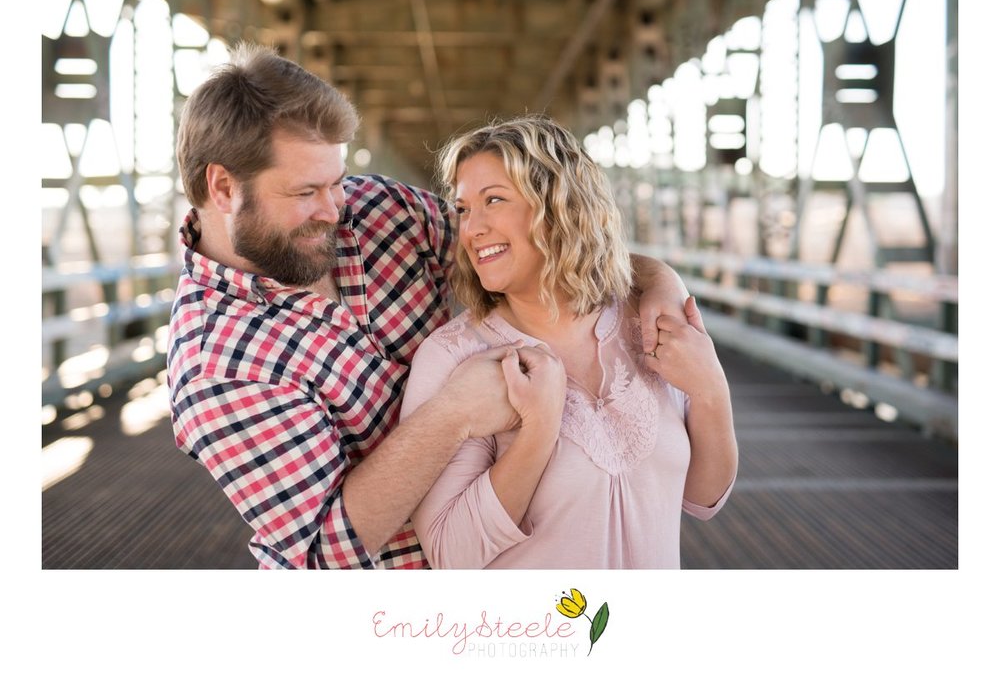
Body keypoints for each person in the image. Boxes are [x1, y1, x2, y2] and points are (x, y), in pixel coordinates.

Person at [167, 43, 690, 569]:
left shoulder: (380, 210)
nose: (333, 209)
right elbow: (323, 554)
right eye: (305, 191)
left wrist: (658, 281)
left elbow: (532, 248)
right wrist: (453, 414)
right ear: (224, 187)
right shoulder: (216, 365)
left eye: (337, 181)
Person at [402, 115, 738, 569]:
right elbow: (450, 552)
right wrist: (537, 432)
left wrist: (711, 391)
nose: (471, 228)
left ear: (560, 206)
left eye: (493, 200)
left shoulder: (647, 324)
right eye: (463, 209)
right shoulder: (454, 356)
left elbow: (704, 498)